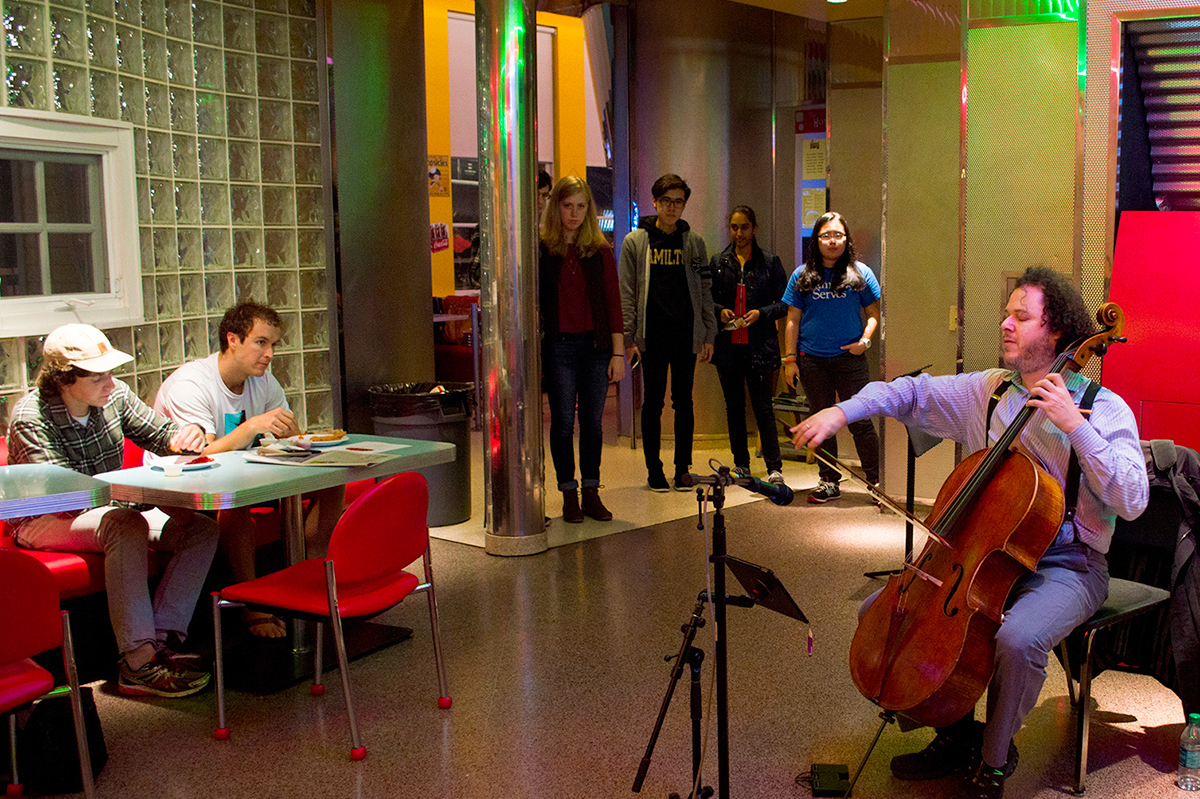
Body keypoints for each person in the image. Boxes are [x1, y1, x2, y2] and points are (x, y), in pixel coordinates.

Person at [790, 266, 1149, 799]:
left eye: (1020, 316)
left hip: (1070, 565)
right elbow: (908, 393)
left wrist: (1076, 427)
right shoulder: (989, 392)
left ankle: (994, 760)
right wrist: (842, 411)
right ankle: (954, 730)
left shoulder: (1103, 407)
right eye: (1006, 313)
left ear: (1054, 332)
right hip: (984, 557)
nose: (1005, 323)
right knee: (882, 614)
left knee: (1018, 639)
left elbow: (1133, 500)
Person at [7, 324, 219, 698]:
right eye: (97, 375)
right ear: (64, 379)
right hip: (42, 521)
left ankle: (160, 642)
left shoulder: (115, 396)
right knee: (125, 523)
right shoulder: (31, 416)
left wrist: (185, 435)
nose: (110, 382)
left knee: (201, 529)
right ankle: (137, 662)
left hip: (106, 511)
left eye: (110, 372)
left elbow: (161, 432)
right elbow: (67, 497)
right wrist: (146, 495)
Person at [153, 302, 344, 638]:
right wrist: (253, 426)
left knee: (332, 481)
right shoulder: (192, 383)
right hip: (179, 486)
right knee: (238, 498)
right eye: (261, 343)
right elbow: (200, 453)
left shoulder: (263, 382)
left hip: (240, 474)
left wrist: (293, 437)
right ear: (232, 340)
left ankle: (311, 577)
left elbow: (287, 433)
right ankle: (252, 604)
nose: (269, 354)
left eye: (273, 345)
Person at [620, 173, 716, 492]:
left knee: (683, 403)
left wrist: (708, 335)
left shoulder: (694, 242)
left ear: (684, 204)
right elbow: (628, 292)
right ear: (655, 202)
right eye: (666, 201)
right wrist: (629, 338)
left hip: (685, 335)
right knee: (652, 404)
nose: (672, 208)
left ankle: (682, 468)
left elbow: (704, 290)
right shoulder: (636, 242)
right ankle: (654, 469)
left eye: (678, 202)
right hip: (653, 336)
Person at [539, 176, 624, 522]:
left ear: (589, 210)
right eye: (567, 205)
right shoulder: (543, 249)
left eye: (580, 206)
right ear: (556, 207)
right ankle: (568, 494)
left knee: (592, 422)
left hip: (596, 346)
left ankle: (591, 491)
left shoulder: (600, 250)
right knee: (561, 423)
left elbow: (614, 303)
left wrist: (618, 353)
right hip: (560, 345)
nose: (573, 214)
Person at [782, 211, 881, 503]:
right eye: (826, 235)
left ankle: (876, 481)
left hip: (850, 359)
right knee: (820, 422)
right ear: (817, 240)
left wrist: (865, 341)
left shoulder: (860, 272)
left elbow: (874, 314)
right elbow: (792, 319)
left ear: (846, 239)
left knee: (860, 421)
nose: (833, 241)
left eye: (838, 235)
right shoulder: (801, 275)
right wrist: (790, 360)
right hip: (811, 359)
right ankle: (828, 480)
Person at [709, 205, 788, 485]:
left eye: (744, 227)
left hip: (760, 347)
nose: (739, 233)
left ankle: (774, 467)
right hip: (729, 347)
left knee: (763, 407)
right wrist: (720, 311)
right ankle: (741, 464)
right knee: (734, 407)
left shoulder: (770, 262)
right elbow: (708, 300)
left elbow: (784, 304)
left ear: (754, 228)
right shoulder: (719, 262)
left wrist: (760, 313)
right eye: (734, 227)